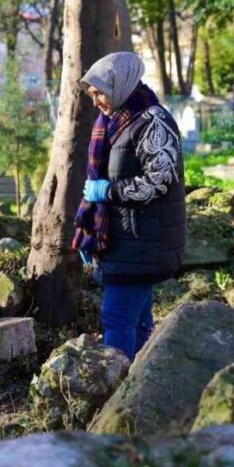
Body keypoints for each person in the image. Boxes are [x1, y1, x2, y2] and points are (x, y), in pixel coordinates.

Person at [72, 52, 185, 361]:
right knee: (137, 321)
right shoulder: (114, 121)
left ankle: (117, 393)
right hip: (128, 241)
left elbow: (159, 182)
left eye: (99, 91)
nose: (95, 100)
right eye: (91, 93)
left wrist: (108, 191)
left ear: (120, 85)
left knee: (117, 318)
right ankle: (143, 384)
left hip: (143, 241)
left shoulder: (152, 122)